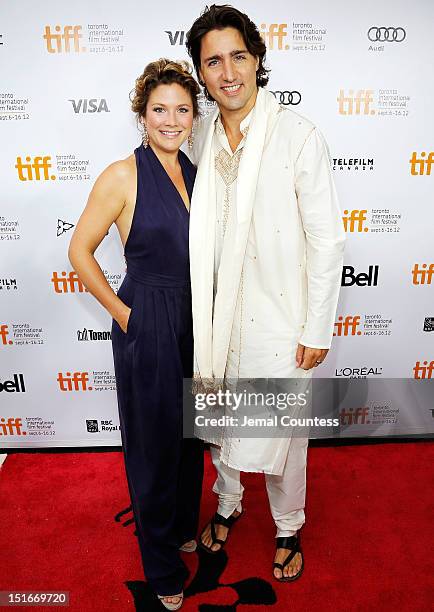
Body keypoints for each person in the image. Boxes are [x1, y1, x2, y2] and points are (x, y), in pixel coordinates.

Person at [186, 5, 345, 582]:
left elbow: (327, 241)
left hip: (280, 319)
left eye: (238, 56)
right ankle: (227, 504)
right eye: (213, 61)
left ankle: (288, 524)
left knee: (282, 437)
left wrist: (316, 328)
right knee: (220, 425)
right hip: (215, 317)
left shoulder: (298, 136)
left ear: (257, 60)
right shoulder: (197, 134)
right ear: (200, 73)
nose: (228, 72)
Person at [68, 59, 204, 610]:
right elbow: (79, 250)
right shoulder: (123, 174)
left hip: (197, 318)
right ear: (141, 115)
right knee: (152, 443)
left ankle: (178, 528)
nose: (170, 121)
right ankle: (162, 565)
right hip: (147, 313)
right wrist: (125, 315)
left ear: (195, 116)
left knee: (192, 434)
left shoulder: (198, 173)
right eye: (159, 110)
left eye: (182, 110)